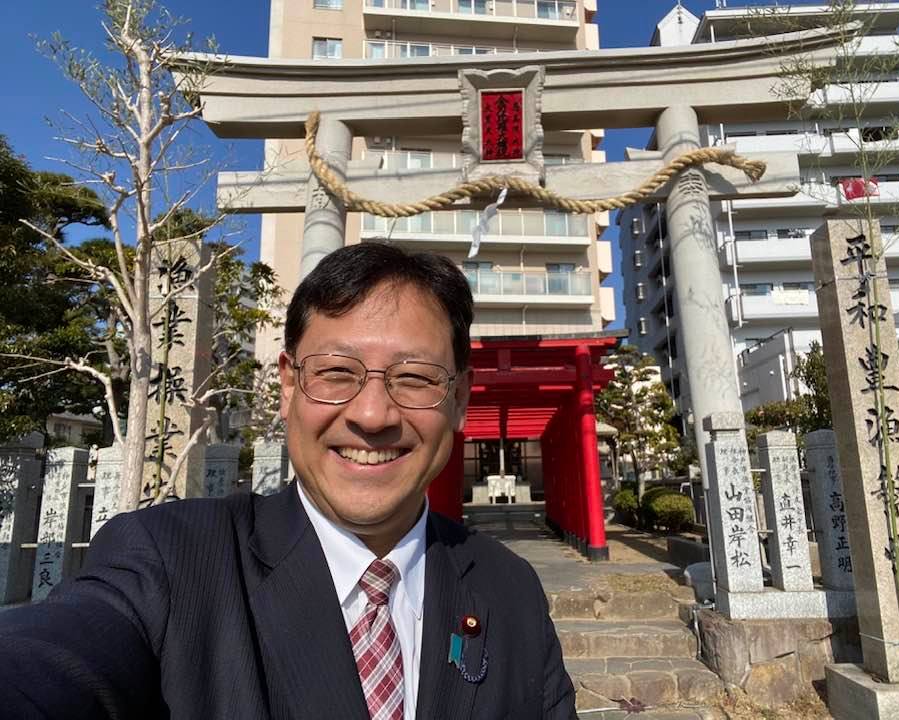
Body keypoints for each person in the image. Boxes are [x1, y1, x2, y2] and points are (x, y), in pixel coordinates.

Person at [0, 242, 577, 720]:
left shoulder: (511, 590)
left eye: (415, 377)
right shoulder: (171, 560)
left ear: (458, 400)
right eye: (336, 373)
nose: (372, 416)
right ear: (287, 385)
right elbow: (57, 657)